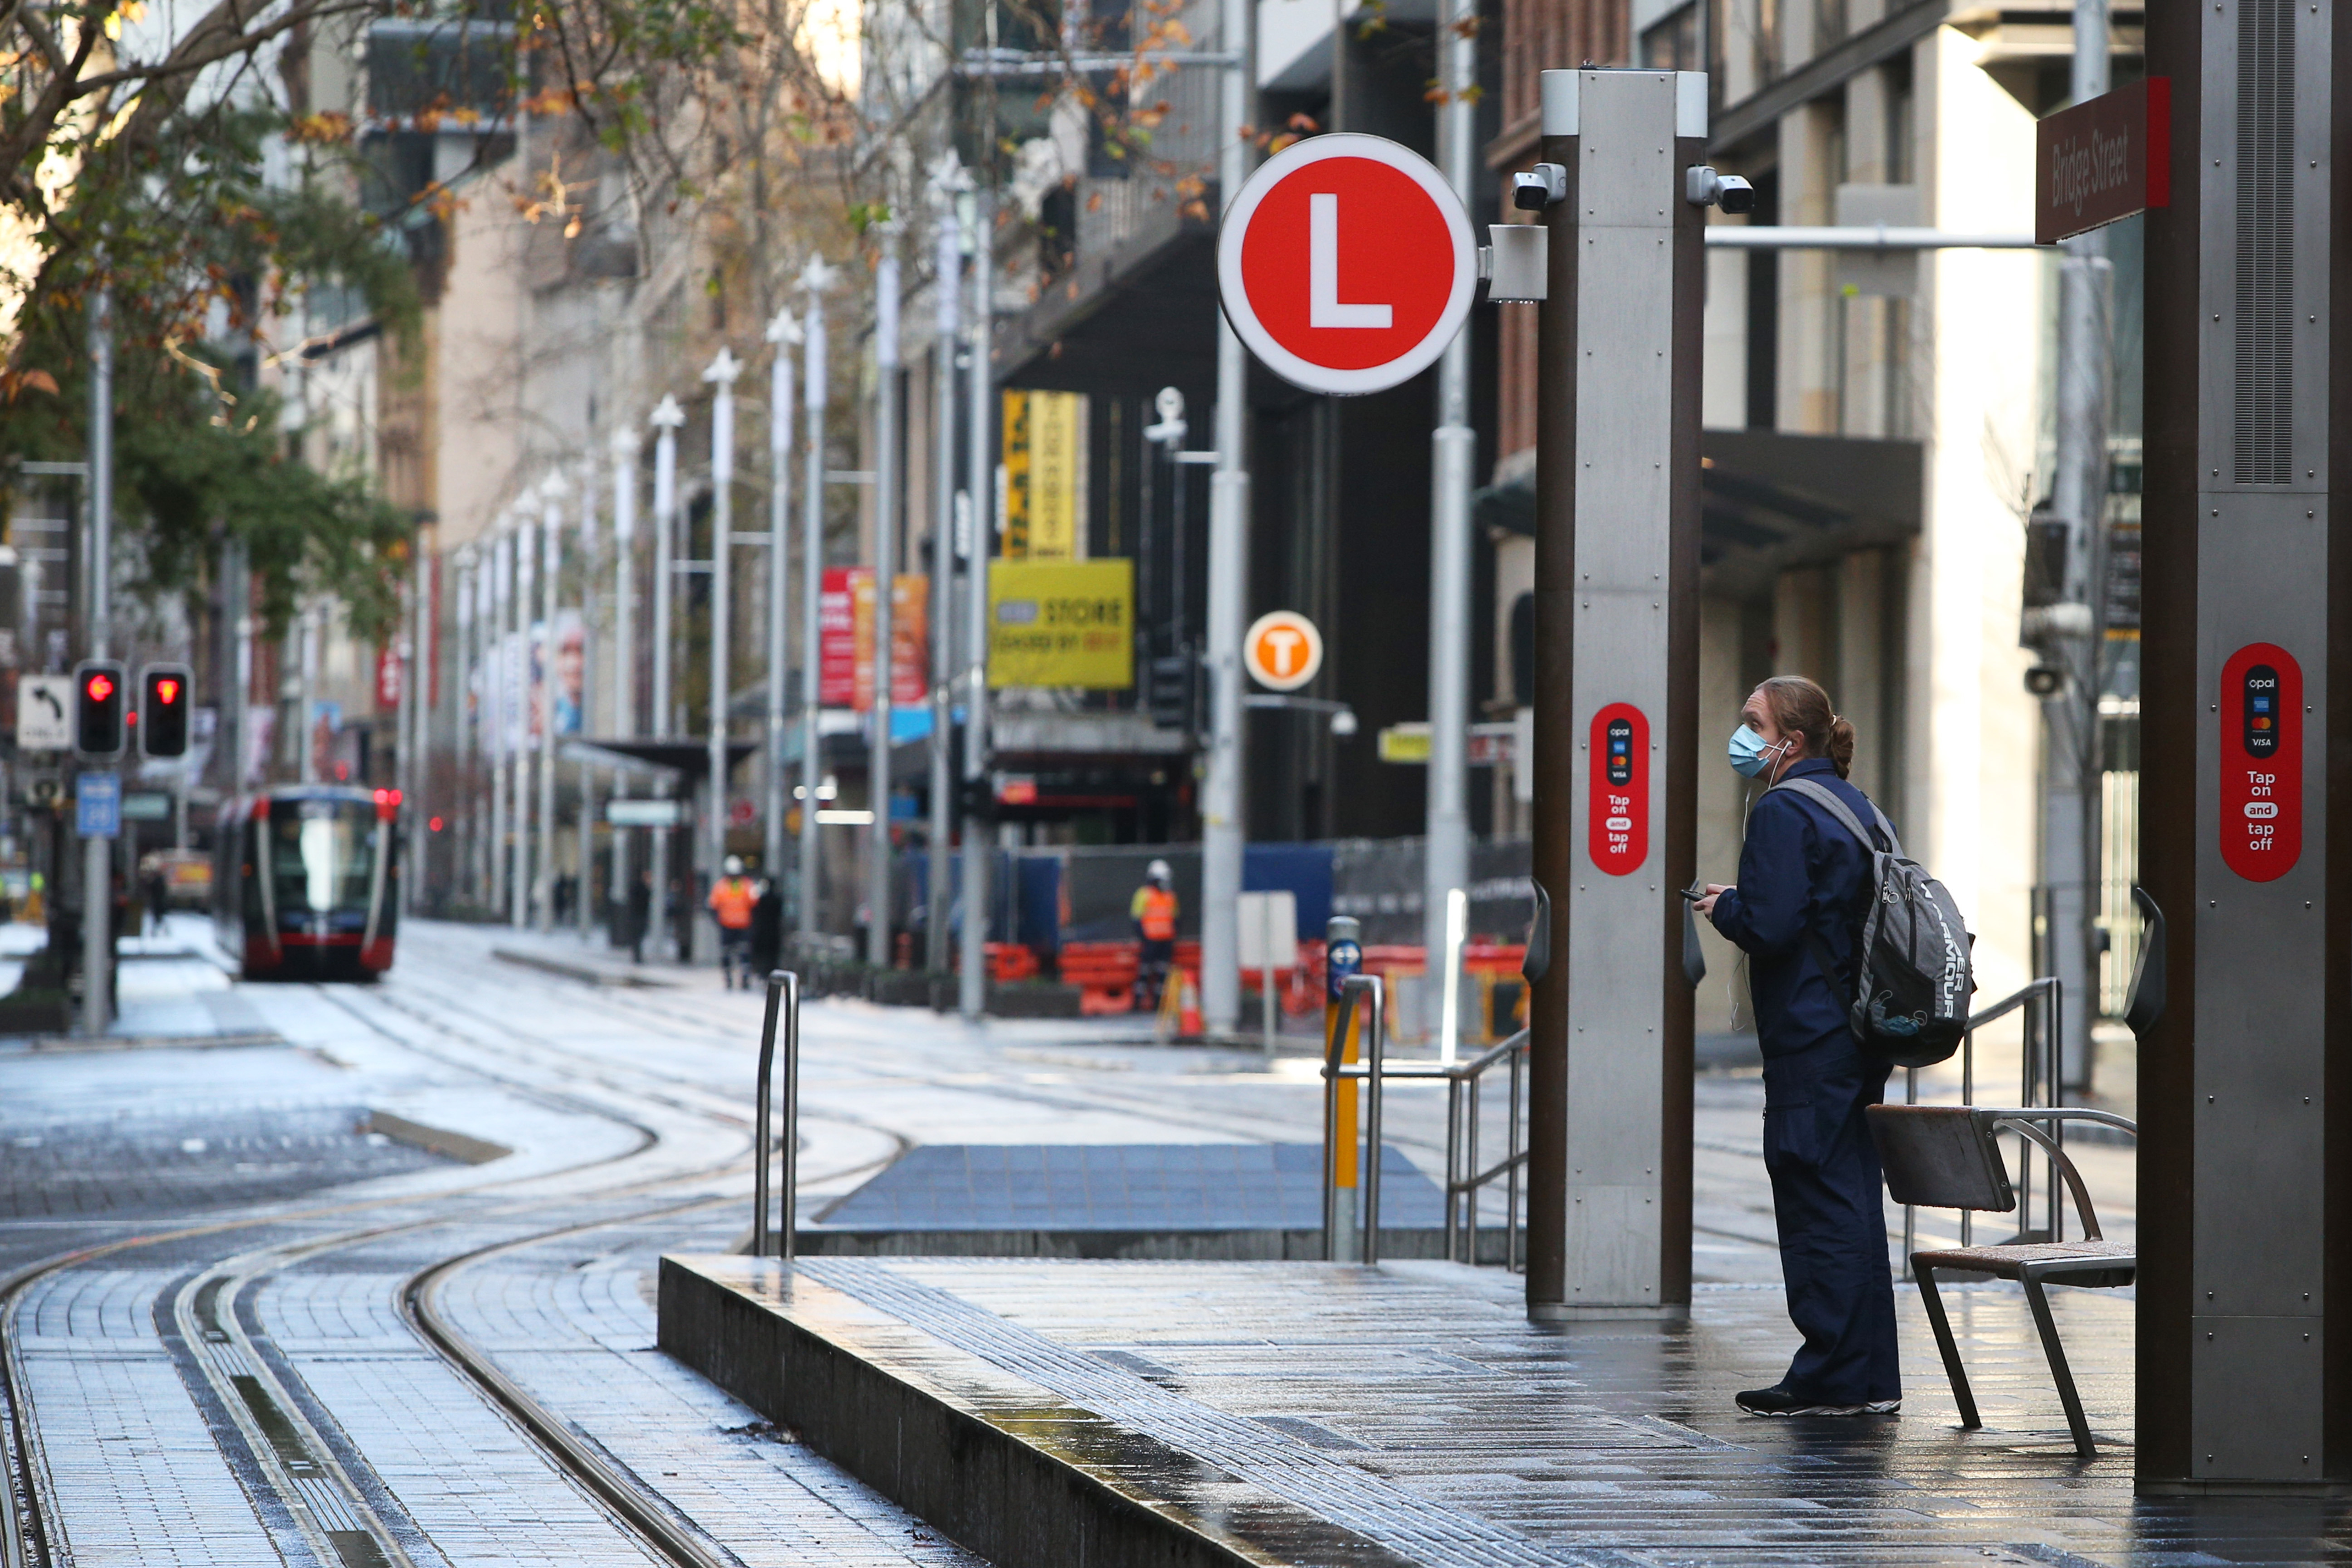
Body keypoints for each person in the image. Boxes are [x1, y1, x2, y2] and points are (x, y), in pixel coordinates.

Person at [1696, 675, 1901, 1419]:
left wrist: (1726, 908)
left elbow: (1774, 925)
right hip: (1856, 1031)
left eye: (1753, 721)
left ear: (1791, 740)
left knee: (1814, 1196)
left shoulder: (1782, 809)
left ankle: (1827, 1374)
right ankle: (1868, 1374)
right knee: (1848, 1200)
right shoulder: (1857, 809)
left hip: (1809, 1035)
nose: (1741, 733)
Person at [1131, 859, 1178, 1010]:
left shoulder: (1170, 896)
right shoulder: (1144, 894)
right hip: (1151, 940)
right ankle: (1138, 1002)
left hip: (1166, 941)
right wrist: (1144, 937)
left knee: (1162, 973)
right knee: (1145, 971)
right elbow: (1137, 918)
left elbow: (1175, 918)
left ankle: (1159, 1003)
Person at [710, 857, 756, 988]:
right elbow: (714, 905)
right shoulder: (722, 886)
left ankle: (744, 978)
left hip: (743, 926)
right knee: (728, 952)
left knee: (744, 952)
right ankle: (729, 977)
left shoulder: (746, 885)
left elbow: (755, 903)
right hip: (729, 925)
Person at [746, 876, 784, 984]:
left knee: (764, 955)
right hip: (773, 932)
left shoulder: (761, 900)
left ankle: (764, 974)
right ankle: (769, 973)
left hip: (763, 932)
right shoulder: (777, 899)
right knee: (772, 956)